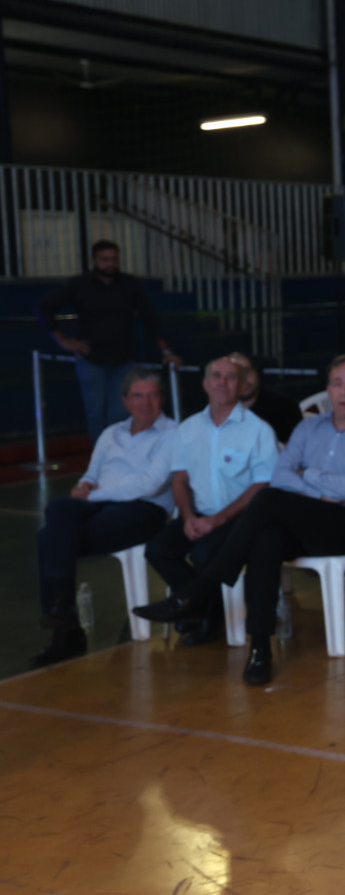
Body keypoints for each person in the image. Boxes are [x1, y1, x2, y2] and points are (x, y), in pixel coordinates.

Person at [136, 355, 345, 687]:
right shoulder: (309, 427)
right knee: (266, 537)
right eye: (337, 383)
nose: (344, 391)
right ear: (328, 389)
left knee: (269, 500)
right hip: (305, 519)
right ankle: (260, 649)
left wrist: (307, 474)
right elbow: (281, 475)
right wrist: (320, 489)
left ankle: (199, 591)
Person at [31, 369, 176, 666]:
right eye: (138, 395)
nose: (145, 402)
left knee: (49, 538)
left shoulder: (173, 434)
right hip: (100, 504)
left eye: (152, 395)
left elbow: (149, 484)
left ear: (162, 398)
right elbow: (91, 474)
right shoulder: (111, 433)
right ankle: (64, 611)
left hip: (143, 510)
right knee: (59, 509)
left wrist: (93, 495)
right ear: (125, 400)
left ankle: (65, 627)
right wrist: (83, 486)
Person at [146, 357, 279, 648]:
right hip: (197, 513)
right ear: (205, 383)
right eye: (216, 376)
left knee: (205, 554)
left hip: (242, 517)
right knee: (158, 549)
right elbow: (179, 478)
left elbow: (263, 485)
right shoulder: (188, 428)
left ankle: (201, 615)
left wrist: (218, 519)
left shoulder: (259, 430)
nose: (222, 382)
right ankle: (204, 610)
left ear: (242, 386)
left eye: (231, 377)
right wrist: (188, 517)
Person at [37, 240, 180, 442]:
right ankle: (101, 456)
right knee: (95, 413)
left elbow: (150, 318)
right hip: (91, 360)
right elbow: (44, 307)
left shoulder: (130, 284)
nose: (110, 264)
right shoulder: (79, 284)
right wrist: (64, 341)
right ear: (94, 260)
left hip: (124, 359)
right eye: (104, 260)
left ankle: (119, 453)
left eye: (114, 259)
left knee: (121, 414)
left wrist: (166, 351)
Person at [228, 352, 303, 445]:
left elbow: (296, 449)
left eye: (247, 372)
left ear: (256, 372)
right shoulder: (218, 411)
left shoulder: (285, 407)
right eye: (233, 375)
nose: (242, 380)